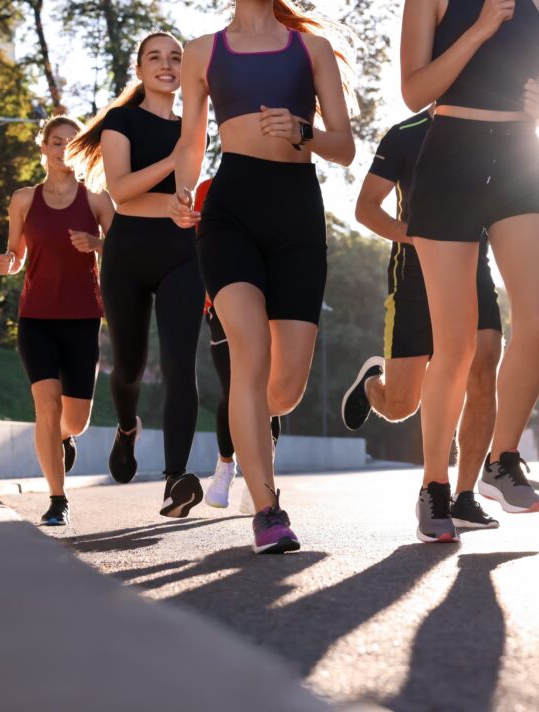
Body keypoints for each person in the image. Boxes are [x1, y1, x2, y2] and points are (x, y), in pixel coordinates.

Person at [170, 0, 354, 553]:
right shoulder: (203, 52)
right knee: (249, 352)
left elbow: (344, 147)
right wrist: (183, 192)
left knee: (286, 388)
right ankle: (268, 512)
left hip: (297, 212)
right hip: (230, 211)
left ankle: (243, 432)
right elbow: (191, 142)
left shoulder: (311, 50)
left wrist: (304, 130)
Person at [399, 0, 539, 542]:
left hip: (521, 159)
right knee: (458, 345)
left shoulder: (538, 4)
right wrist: (482, 28)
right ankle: (434, 488)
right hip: (450, 156)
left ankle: (503, 456)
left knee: (537, 319)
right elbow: (415, 92)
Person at [343, 108, 503, 539]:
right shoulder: (406, 134)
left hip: (474, 267)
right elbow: (365, 209)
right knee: (400, 405)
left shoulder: (492, 127)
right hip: (413, 272)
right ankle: (372, 383)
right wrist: (419, 237)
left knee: (483, 363)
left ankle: (464, 496)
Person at [67, 32, 206, 518]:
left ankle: (175, 480)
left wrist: (177, 203)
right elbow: (123, 191)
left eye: (175, 59)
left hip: (182, 258)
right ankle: (128, 429)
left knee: (178, 366)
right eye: (156, 58)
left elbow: (181, 200)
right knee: (127, 366)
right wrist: (171, 166)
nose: (167, 65)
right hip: (126, 257)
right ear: (140, 69)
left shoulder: (195, 125)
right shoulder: (120, 121)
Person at [0, 115, 114, 526]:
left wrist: (97, 243)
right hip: (36, 319)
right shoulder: (24, 199)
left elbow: (122, 254)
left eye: (71, 142)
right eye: (56, 141)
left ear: (81, 149)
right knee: (46, 406)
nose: (63, 148)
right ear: (43, 147)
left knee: (74, 421)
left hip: (82, 319)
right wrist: (7, 263)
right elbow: (16, 255)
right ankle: (57, 499)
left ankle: (62, 439)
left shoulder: (98, 200)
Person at [195, 179, 258, 515]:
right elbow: (197, 245)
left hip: (267, 299)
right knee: (233, 388)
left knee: (266, 390)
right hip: (220, 301)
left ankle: (260, 478)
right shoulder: (207, 189)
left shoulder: (274, 181)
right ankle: (225, 467)